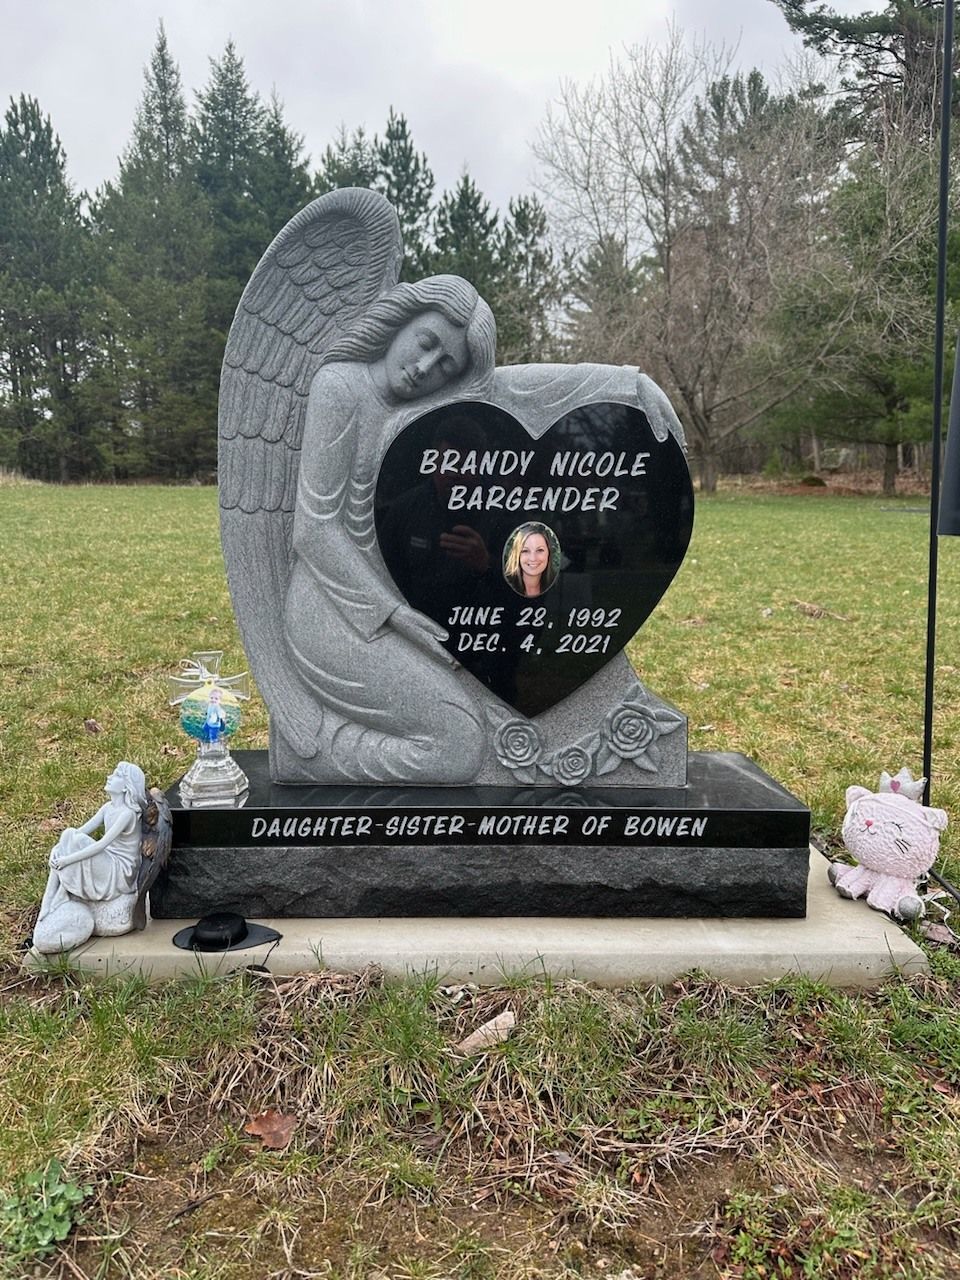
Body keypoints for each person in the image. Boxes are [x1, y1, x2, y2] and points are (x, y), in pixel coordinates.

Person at [282, 275, 497, 783]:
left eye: (446, 365)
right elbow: (312, 530)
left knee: (469, 727)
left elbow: (515, 388)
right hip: (333, 610)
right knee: (461, 744)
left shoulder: (420, 417)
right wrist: (397, 616)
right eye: (426, 344)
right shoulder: (340, 387)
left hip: (393, 604)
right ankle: (313, 751)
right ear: (402, 320)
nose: (425, 368)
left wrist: (627, 381)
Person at [33, 762, 147, 953]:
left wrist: (67, 860)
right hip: (107, 859)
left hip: (120, 871)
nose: (110, 776)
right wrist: (59, 849)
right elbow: (80, 832)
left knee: (72, 843)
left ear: (126, 787)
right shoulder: (107, 808)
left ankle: (57, 898)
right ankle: (48, 905)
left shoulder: (127, 814)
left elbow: (101, 844)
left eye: (117, 775)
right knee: (69, 834)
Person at [504, 523, 559, 597]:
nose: (533, 558)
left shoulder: (556, 588)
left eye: (540, 550)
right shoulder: (503, 588)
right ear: (517, 555)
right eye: (525, 551)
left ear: (548, 553)